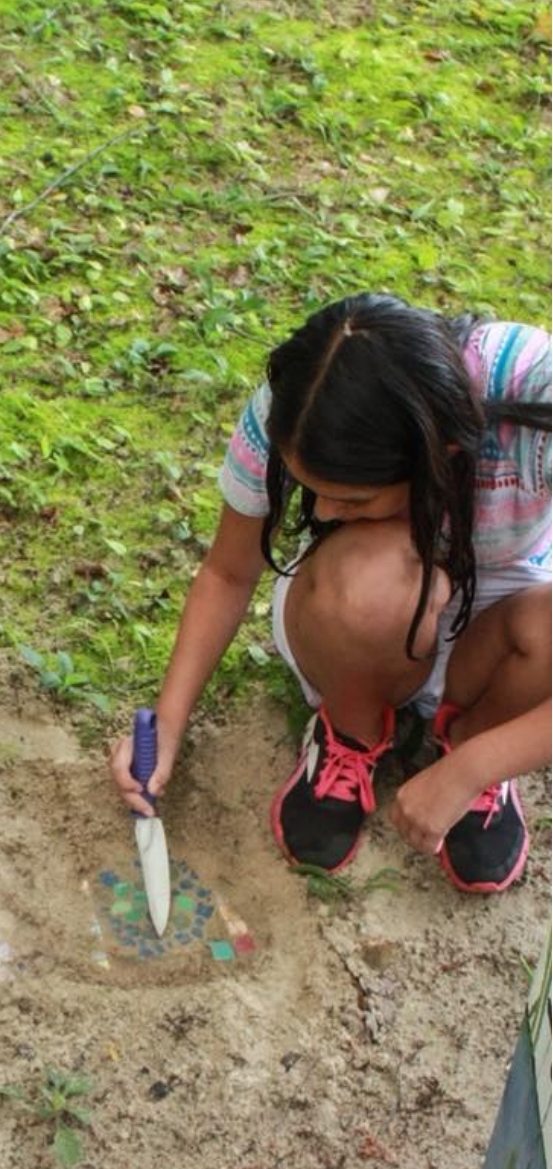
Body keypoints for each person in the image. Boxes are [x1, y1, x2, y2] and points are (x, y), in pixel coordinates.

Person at [110, 293, 550, 893]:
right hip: (368, 603)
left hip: (504, 606)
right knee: (367, 590)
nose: (319, 510)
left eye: (352, 500)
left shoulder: (537, 396)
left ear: (440, 456)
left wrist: (476, 766)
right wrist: (168, 720)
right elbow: (227, 573)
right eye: (312, 490)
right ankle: (351, 728)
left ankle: (472, 740)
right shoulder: (302, 400)